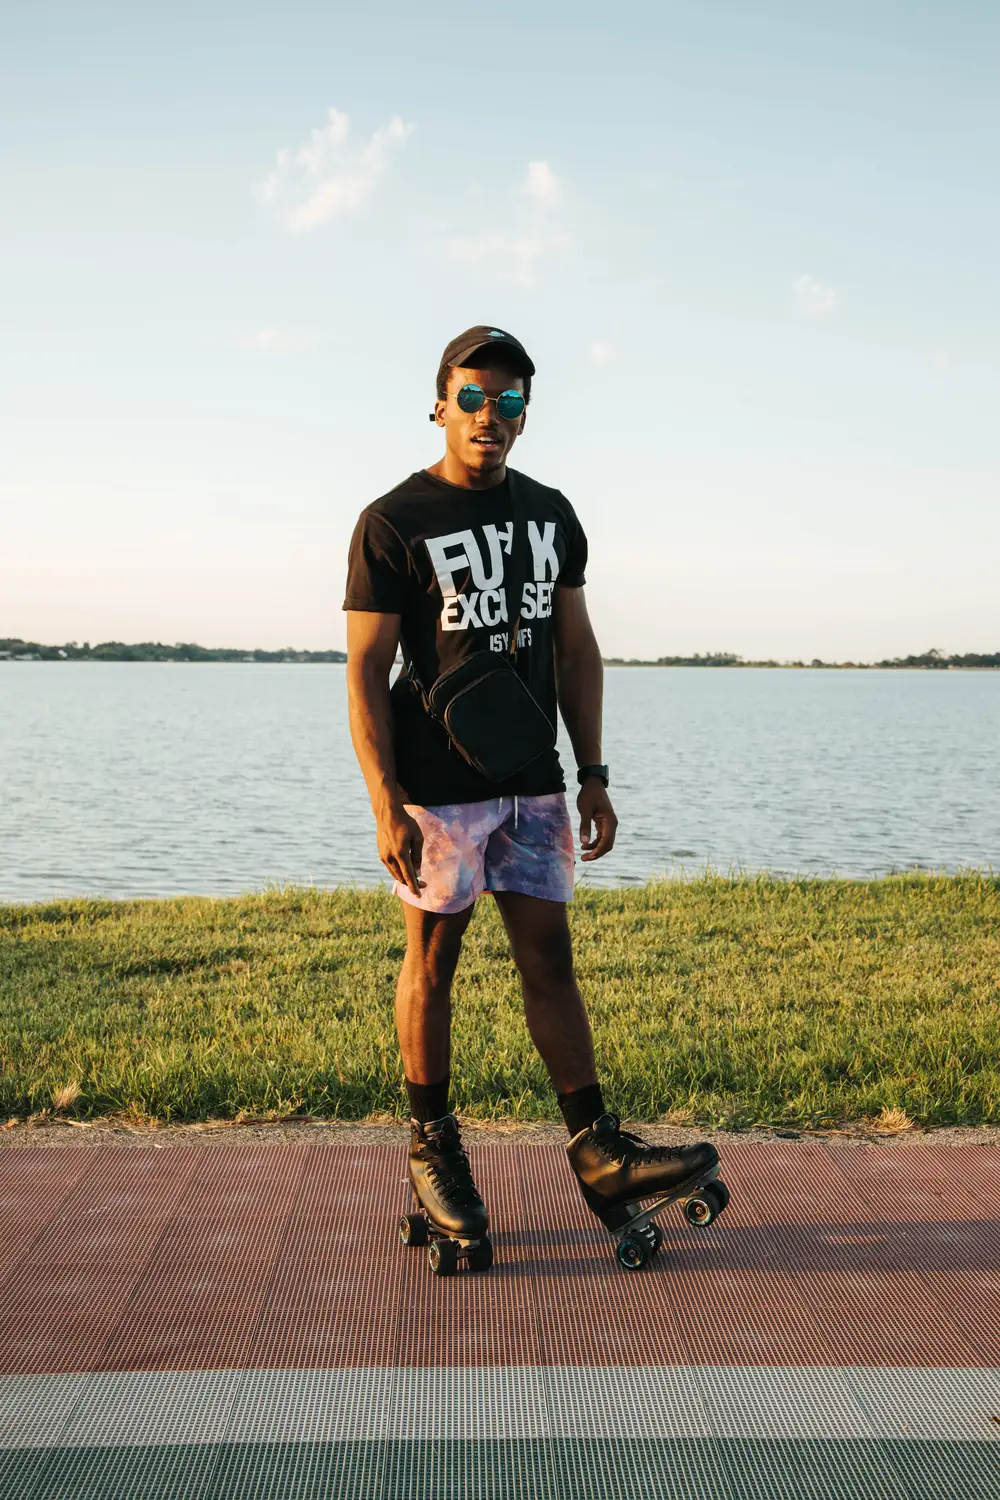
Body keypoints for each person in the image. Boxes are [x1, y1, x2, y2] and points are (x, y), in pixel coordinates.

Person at [343, 325, 718, 1269]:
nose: (490, 418)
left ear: (524, 417)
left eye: (509, 403)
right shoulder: (393, 521)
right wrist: (385, 798)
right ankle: (434, 1149)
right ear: (439, 404)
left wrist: (592, 773)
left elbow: (575, 648)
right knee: (432, 963)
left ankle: (596, 1148)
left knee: (549, 962)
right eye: (473, 398)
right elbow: (364, 666)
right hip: (437, 790)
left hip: (535, 787)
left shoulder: (553, 514)